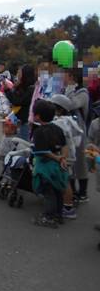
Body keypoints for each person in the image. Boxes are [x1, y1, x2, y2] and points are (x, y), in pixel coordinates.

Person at [31, 100, 69, 228]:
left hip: (46, 167)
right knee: (58, 191)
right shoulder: (57, 128)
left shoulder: (39, 132)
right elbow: (64, 145)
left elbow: (43, 152)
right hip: (58, 167)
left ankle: (49, 217)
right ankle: (59, 215)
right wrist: (63, 157)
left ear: (37, 116)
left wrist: (57, 158)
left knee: (49, 193)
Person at [51, 94, 83, 220]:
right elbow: (77, 141)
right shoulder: (71, 121)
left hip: (64, 156)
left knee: (65, 182)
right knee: (65, 180)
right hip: (70, 155)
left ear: (59, 109)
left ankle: (68, 208)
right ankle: (65, 203)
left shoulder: (60, 123)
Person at [64, 68, 91, 203]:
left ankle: (83, 192)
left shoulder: (83, 92)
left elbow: (71, 104)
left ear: (73, 77)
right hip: (67, 130)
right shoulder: (67, 89)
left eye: (66, 75)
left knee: (80, 162)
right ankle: (73, 191)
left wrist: (69, 90)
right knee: (70, 161)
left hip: (79, 131)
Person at [5, 65, 36, 141]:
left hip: (26, 122)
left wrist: (7, 91)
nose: (18, 74)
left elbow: (17, 101)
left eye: (20, 72)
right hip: (19, 120)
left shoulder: (31, 89)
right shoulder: (22, 86)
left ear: (25, 74)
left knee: (24, 145)